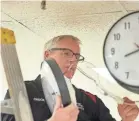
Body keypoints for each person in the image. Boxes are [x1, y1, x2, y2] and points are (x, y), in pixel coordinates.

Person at [1, 35, 139, 121]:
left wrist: (126, 119)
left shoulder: (90, 100)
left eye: (77, 56)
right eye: (66, 53)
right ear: (47, 55)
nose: (73, 60)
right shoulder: (21, 91)